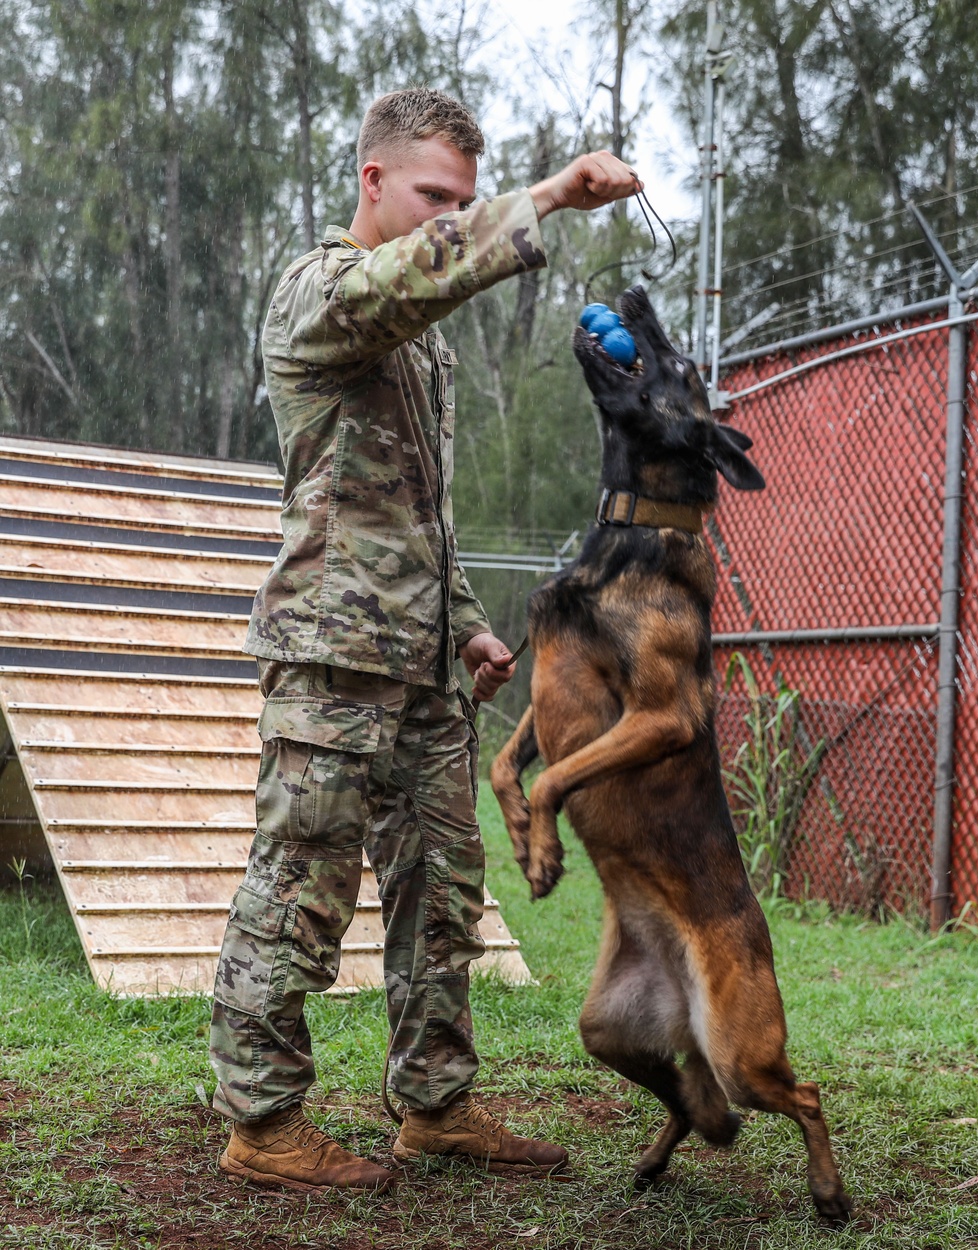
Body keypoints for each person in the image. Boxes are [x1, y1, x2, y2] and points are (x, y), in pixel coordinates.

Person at [209, 87, 640, 1194]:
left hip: (414, 666)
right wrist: (541, 196)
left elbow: (416, 512)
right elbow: (411, 277)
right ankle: (262, 1121)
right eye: (434, 195)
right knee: (299, 886)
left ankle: (434, 1102)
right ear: (372, 182)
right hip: (332, 656)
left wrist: (466, 628)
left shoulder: (425, 355)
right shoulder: (321, 290)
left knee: (442, 886)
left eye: (465, 196)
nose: (450, 215)